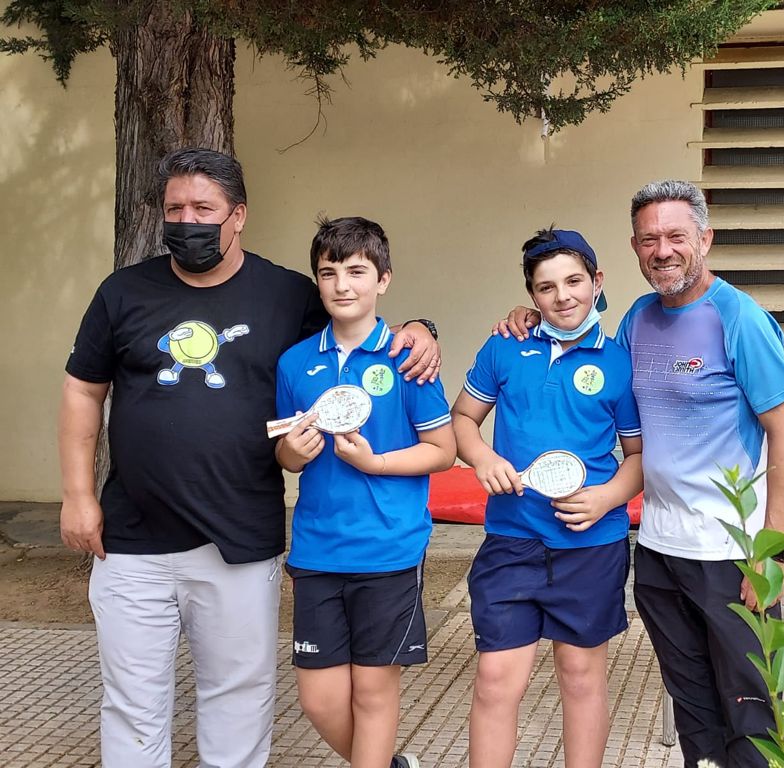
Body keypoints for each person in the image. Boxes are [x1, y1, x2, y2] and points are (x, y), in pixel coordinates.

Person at [58, 147, 440, 768]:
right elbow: (83, 390)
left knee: (237, 697)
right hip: (130, 540)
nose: (187, 221)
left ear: (238, 216)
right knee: (131, 703)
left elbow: (356, 320)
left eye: (203, 208)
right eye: (175, 209)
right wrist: (77, 494)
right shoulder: (122, 292)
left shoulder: (288, 295)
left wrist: (422, 327)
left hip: (238, 539)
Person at [498, 183, 784, 767]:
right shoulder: (638, 317)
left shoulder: (739, 318)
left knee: (753, 711)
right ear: (635, 248)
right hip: (660, 551)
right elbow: (580, 343)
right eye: (649, 239)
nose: (662, 250)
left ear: (705, 239)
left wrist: (773, 552)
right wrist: (528, 318)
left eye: (675, 236)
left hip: (731, 552)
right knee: (693, 708)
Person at [453, 228, 644, 768]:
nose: (563, 296)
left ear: (597, 282)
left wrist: (607, 498)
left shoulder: (620, 362)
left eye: (574, 281)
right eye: (546, 287)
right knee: (495, 677)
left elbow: (638, 455)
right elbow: (464, 417)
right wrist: (482, 457)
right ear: (531, 295)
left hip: (591, 544)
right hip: (512, 539)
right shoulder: (504, 347)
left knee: (581, 676)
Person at [274, 216, 456, 768]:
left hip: (389, 549)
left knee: (374, 694)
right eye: (328, 273)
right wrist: (292, 453)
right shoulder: (295, 362)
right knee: (319, 700)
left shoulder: (409, 358)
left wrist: (375, 463)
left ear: (383, 279)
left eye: (356, 271)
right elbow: (284, 454)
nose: (342, 285)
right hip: (317, 549)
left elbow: (442, 450)